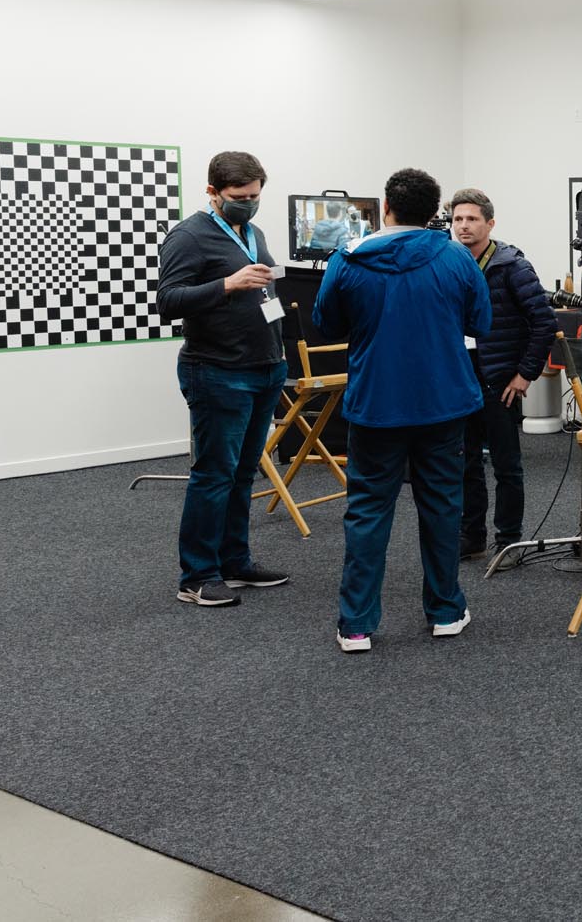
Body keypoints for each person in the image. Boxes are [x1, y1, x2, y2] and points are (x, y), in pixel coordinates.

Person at [314, 168, 491, 653]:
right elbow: (481, 322)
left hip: (377, 403)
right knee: (442, 506)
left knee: (368, 512)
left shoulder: (348, 258)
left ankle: (356, 625)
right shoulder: (457, 258)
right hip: (442, 402)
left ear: (386, 207)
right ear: (435, 214)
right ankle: (445, 611)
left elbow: (326, 323)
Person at [154, 150, 291, 607]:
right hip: (217, 370)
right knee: (214, 475)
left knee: (243, 473)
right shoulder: (188, 236)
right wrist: (227, 284)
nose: (249, 204)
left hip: (264, 367)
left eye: (254, 196)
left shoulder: (254, 232)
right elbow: (168, 300)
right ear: (213, 191)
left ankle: (235, 562)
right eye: (240, 197)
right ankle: (197, 576)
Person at [448, 188, 557, 561]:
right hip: (460, 377)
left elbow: (544, 323)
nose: (464, 225)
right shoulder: (449, 263)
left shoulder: (512, 266)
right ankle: (471, 536)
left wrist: (525, 374)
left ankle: (508, 539)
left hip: (500, 379)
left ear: (490, 223)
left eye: (472, 218)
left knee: (506, 465)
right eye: (458, 219)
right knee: (465, 461)